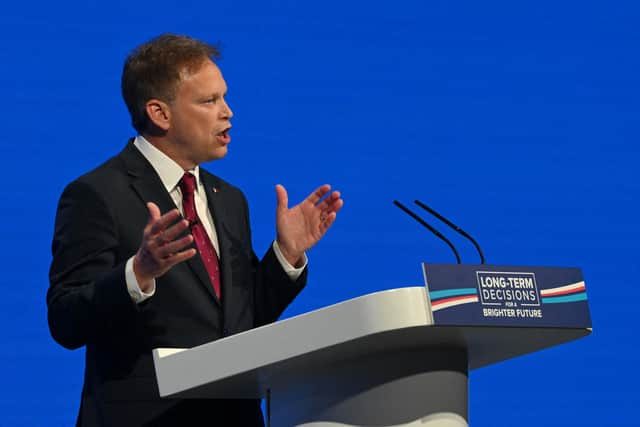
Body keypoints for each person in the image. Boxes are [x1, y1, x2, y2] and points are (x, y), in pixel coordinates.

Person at [47, 33, 343, 427]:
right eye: (210, 101)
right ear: (160, 113)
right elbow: (65, 320)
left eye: (224, 97)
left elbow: (242, 322)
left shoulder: (228, 198)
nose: (228, 112)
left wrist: (285, 255)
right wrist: (138, 274)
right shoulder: (97, 193)